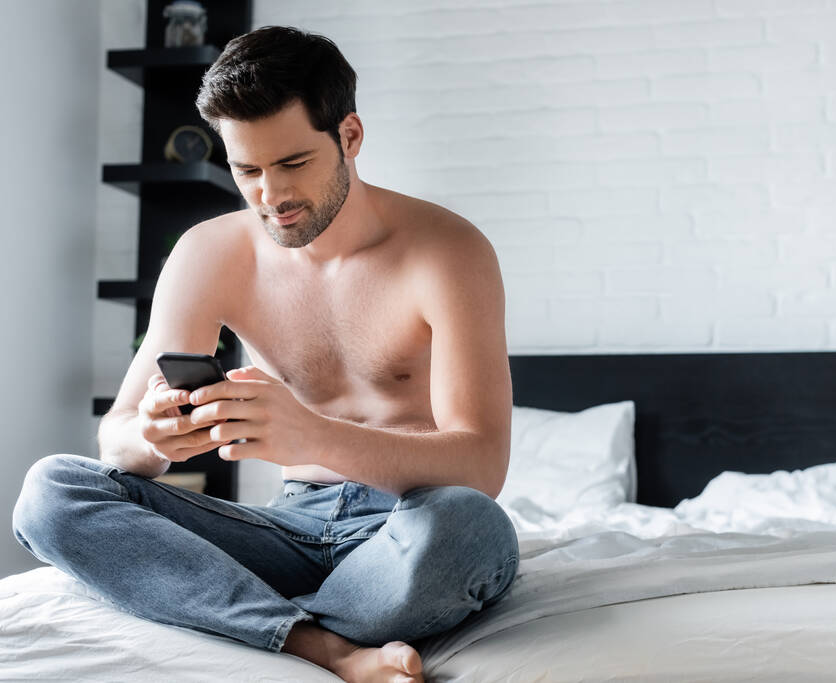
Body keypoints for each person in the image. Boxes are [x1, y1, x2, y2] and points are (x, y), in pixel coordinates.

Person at [12, 26, 519, 683]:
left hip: (409, 528)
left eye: (292, 163)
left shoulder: (447, 252)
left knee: (470, 526)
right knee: (52, 490)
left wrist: (313, 434)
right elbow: (117, 442)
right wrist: (155, 437)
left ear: (350, 137)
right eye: (247, 170)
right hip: (286, 532)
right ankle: (325, 645)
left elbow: (480, 465)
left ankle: (232, 612)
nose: (270, 196)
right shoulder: (210, 252)